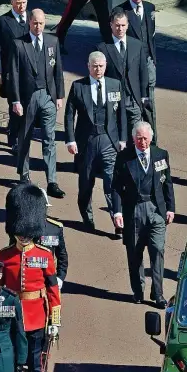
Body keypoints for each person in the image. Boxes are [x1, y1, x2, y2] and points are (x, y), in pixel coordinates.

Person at [0, 184, 61, 372]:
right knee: (13, 364)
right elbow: (1, 290)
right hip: (12, 316)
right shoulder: (5, 256)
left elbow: (53, 289)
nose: (23, 235)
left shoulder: (44, 256)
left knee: (35, 367)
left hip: (36, 316)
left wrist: (54, 320)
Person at [112, 121, 175, 307]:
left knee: (157, 251)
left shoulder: (160, 155)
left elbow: (167, 183)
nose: (142, 142)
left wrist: (170, 208)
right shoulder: (124, 158)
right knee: (134, 253)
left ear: (151, 138)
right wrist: (117, 212)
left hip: (156, 211)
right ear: (133, 139)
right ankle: (138, 291)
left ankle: (158, 293)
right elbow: (115, 187)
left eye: (145, 138)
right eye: (139, 139)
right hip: (134, 211)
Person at [65, 51, 127, 235]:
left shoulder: (115, 85)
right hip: (87, 142)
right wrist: (70, 139)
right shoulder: (78, 87)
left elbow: (121, 114)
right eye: (94, 66)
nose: (98, 69)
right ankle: (87, 216)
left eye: (101, 66)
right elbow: (69, 115)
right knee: (86, 182)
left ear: (105, 65)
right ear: (88, 66)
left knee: (112, 181)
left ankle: (118, 219)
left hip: (109, 141)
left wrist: (122, 139)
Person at [8, 8, 66, 197]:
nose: (38, 26)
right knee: (25, 137)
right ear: (29, 23)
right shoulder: (18, 45)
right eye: (35, 23)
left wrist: (59, 95)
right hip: (28, 98)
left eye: (41, 23)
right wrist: (15, 100)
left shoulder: (53, 41)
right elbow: (14, 75)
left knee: (49, 138)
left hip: (48, 96)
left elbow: (58, 69)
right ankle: (24, 175)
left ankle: (52, 181)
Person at [96, 7, 149, 140]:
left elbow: (143, 71)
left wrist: (143, 95)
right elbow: (98, 76)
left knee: (135, 135)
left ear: (127, 25)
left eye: (123, 25)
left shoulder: (137, 45)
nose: (120, 29)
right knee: (115, 133)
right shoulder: (102, 47)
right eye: (117, 25)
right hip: (113, 98)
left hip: (133, 99)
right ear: (111, 25)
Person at [0, 0, 30, 153]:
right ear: (11, 2)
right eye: (18, 3)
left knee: (28, 105)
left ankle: (15, 130)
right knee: (15, 104)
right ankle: (14, 138)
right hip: (10, 72)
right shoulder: (2, 22)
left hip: (28, 72)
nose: (21, 6)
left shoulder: (32, 20)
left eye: (24, 3)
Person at [121, 0, 158, 139]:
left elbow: (151, 35)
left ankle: (152, 138)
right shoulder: (121, 11)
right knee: (133, 101)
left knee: (149, 101)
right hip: (132, 64)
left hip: (148, 61)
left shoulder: (150, 8)